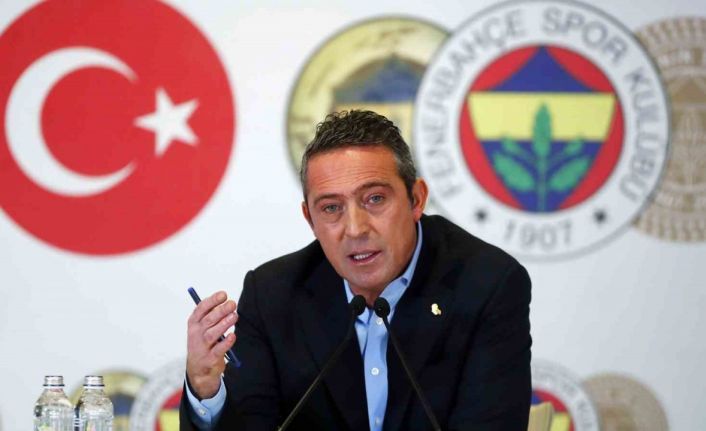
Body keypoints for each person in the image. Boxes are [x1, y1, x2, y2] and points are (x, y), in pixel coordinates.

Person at [179, 110, 532, 430]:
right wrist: (205, 389)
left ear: (416, 199)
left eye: (374, 199)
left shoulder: (488, 285)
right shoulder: (273, 295)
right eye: (331, 208)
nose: (355, 229)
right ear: (310, 219)